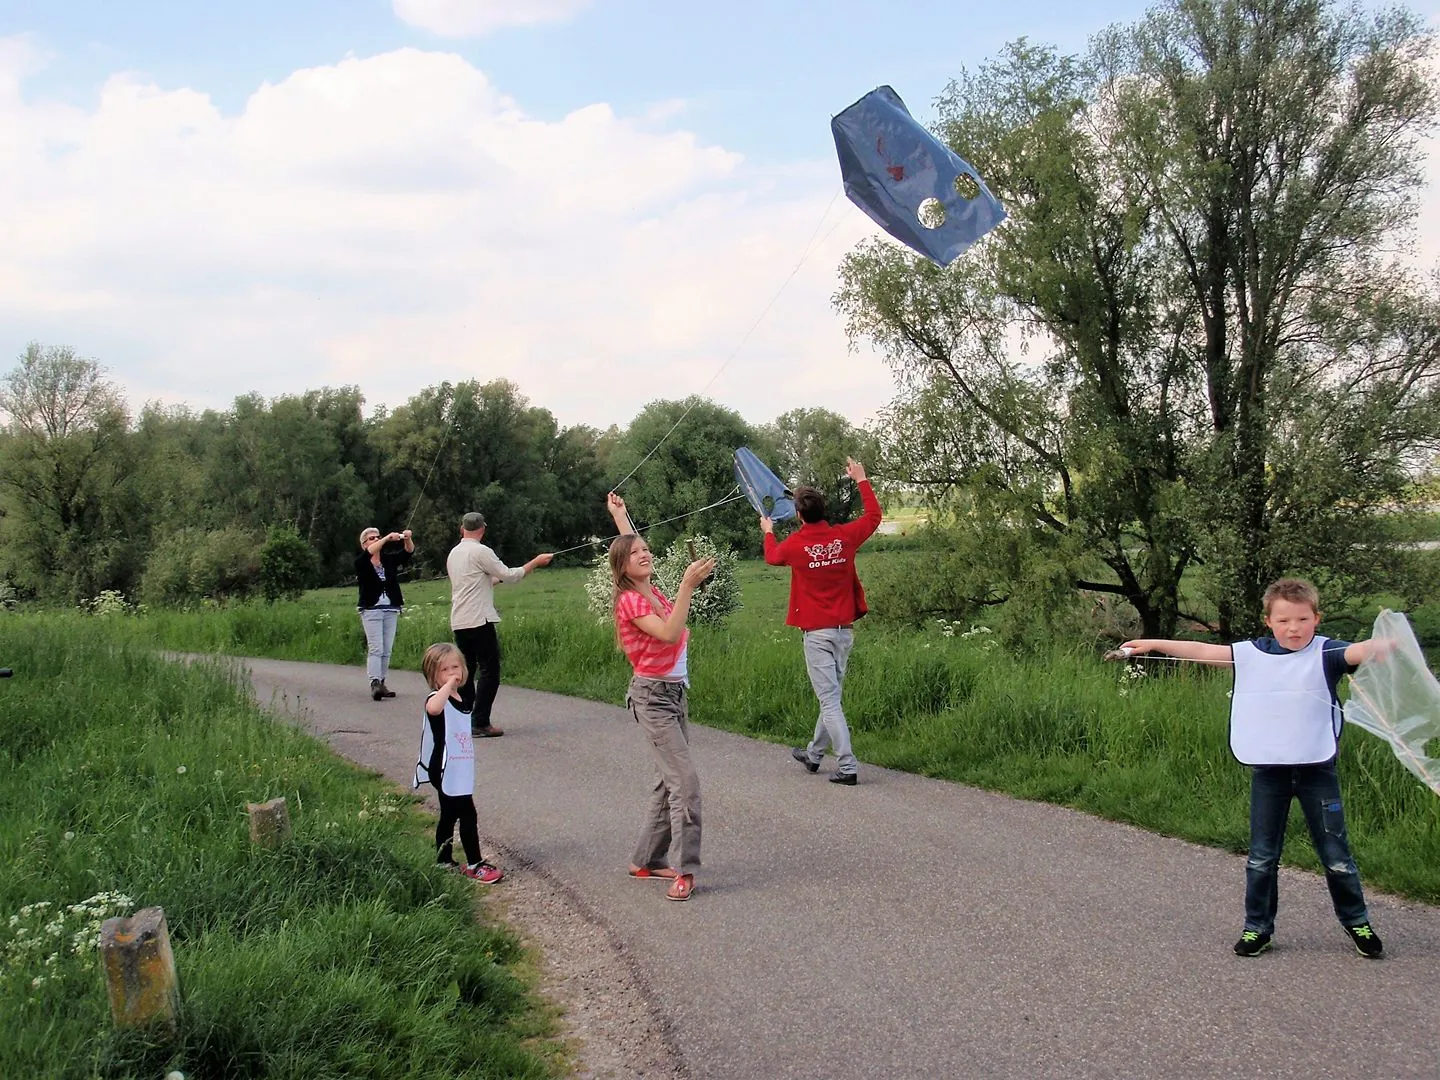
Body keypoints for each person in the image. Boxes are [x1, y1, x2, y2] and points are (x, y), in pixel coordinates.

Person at [1119, 577, 1385, 959]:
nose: (1293, 628)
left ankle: (1357, 922)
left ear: (1316, 618)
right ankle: (1257, 928)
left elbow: (1361, 651)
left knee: (1336, 856)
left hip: (1317, 772)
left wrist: (1391, 642)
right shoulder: (1252, 653)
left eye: (1302, 619)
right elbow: (1203, 652)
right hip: (1269, 773)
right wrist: (1153, 643)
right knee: (1262, 856)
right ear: (1269, 622)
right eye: (1283, 621)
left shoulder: (1328, 653)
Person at [606, 492, 714, 901]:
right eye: (637, 554)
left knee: (666, 783)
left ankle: (646, 860)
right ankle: (685, 870)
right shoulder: (632, 600)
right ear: (623, 566)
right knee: (685, 784)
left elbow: (631, 548)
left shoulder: (647, 589)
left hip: (673, 694)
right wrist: (687, 585)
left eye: (647, 549)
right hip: (653, 699)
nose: (645, 554)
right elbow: (669, 633)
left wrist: (621, 516)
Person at [762, 458, 883, 786]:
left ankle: (847, 765)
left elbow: (772, 557)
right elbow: (874, 516)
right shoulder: (845, 536)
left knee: (829, 700)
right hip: (845, 632)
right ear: (823, 510)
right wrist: (861, 478)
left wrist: (768, 532)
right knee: (831, 697)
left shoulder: (796, 545)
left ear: (799, 515)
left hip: (816, 635)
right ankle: (815, 755)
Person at [445, 511, 554, 737]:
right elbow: (511, 575)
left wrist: (495, 580)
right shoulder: (481, 551)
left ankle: (463, 718)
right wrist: (535, 562)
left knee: (467, 670)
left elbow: (476, 581)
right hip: (479, 619)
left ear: (461, 528)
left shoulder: (454, 553)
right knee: (490, 671)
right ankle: (480, 721)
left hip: (459, 620)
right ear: (482, 529)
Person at [412, 643, 504, 884]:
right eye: (445, 670)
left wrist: (455, 685)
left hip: (458, 768)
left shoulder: (460, 697)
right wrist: (447, 686)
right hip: (443, 768)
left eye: (456, 667)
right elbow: (433, 708)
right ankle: (475, 864)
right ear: (433, 676)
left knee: (449, 815)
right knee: (468, 814)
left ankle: (444, 860)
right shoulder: (437, 698)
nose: (452, 673)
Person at [355, 526, 414, 701]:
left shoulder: (388, 560)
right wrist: (387, 538)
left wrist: (407, 538)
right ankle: (374, 682)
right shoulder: (361, 561)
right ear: (364, 544)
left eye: (377, 537)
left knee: (387, 649)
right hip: (371, 609)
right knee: (376, 648)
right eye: (372, 538)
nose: (376, 540)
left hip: (390, 608)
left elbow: (408, 553)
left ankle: (381, 681)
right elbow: (370, 552)